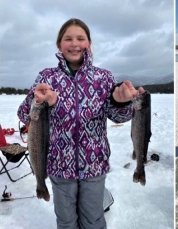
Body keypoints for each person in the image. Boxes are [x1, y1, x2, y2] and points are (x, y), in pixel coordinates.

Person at [17, 18, 145, 228]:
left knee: (93, 220)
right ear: (60, 45)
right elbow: (24, 115)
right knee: (66, 221)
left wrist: (120, 102)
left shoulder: (103, 77)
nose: (74, 43)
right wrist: (36, 100)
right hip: (58, 166)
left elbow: (118, 117)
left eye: (80, 38)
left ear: (89, 44)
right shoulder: (47, 77)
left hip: (94, 164)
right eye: (68, 39)